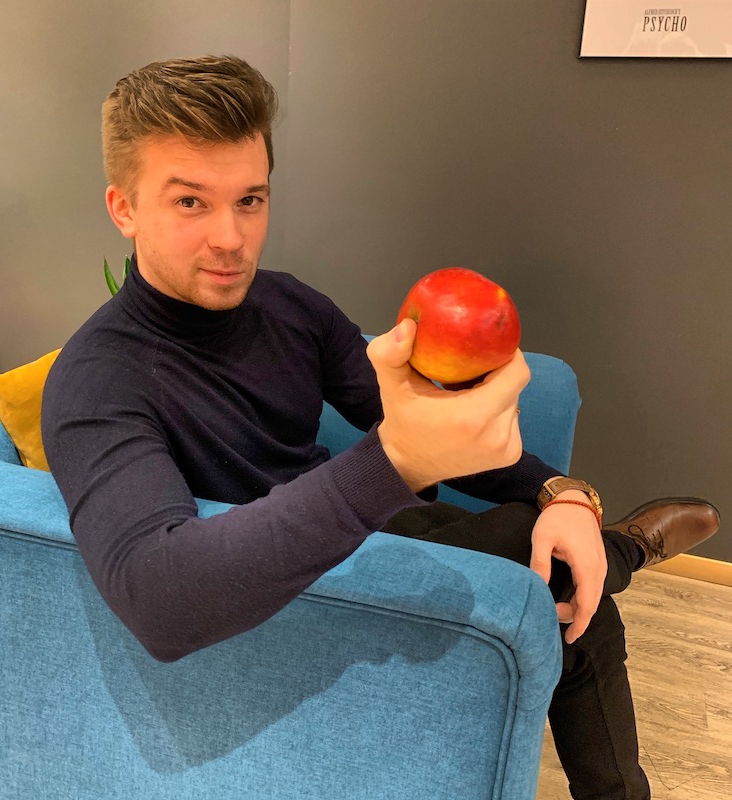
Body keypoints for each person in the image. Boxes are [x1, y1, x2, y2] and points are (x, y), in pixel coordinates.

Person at [41, 55, 719, 800]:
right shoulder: (95, 379)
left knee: (563, 577)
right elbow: (161, 603)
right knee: (548, 572)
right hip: (287, 604)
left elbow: (425, 423)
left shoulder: (291, 307)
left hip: (370, 533)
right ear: (125, 208)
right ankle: (631, 547)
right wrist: (394, 462)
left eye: (250, 200)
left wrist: (560, 493)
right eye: (190, 203)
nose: (232, 239)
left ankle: (613, 551)